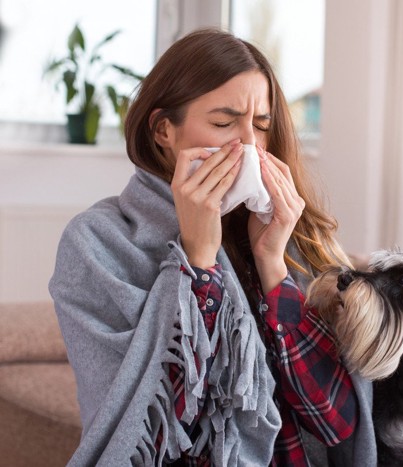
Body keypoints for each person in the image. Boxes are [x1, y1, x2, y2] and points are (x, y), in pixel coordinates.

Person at [49, 28, 375, 467]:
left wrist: (273, 264)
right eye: (224, 123)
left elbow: (337, 422)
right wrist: (197, 261)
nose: (247, 145)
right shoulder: (96, 243)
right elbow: (161, 434)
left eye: (260, 126)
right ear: (165, 130)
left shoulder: (286, 234)